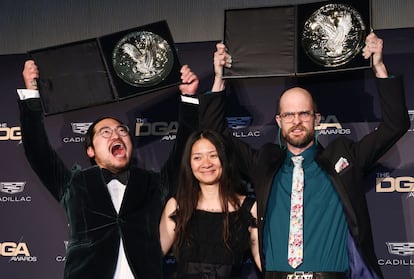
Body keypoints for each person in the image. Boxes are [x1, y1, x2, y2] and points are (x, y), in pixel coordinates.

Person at [201, 32, 410, 279]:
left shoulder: (344, 158)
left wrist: (379, 67)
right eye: (289, 115)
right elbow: (215, 133)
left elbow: (395, 125)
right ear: (279, 121)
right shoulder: (263, 163)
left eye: (304, 114)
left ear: (317, 119)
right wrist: (219, 78)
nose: (297, 121)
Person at [18, 60, 200, 279]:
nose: (116, 135)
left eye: (122, 131)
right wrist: (31, 94)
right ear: (90, 151)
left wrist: (189, 99)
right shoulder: (74, 184)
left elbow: (183, 152)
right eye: (105, 132)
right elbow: (37, 150)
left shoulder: (152, 183)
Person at [159, 129, 262, 278]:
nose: (206, 164)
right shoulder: (178, 205)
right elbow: (153, 257)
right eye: (197, 158)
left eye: (213, 156)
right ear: (189, 163)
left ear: (224, 159)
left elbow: (261, 259)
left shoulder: (249, 208)